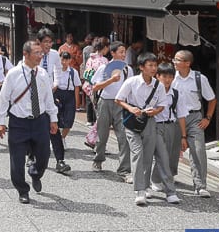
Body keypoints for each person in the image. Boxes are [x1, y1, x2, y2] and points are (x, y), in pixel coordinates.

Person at [0, 40, 59, 204]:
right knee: (16, 160)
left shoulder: (43, 74)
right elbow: (3, 99)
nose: (40, 56)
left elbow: (48, 99)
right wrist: (1, 122)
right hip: (19, 122)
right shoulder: (14, 74)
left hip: (39, 121)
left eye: (41, 53)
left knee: (44, 156)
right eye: (37, 53)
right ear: (26, 54)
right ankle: (22, 190)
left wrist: (53, 119)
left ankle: (35, 173)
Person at [115, 52, 170, 206]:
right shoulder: (131, 82)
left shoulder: (158, 85)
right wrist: (131, 108)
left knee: (147, 156)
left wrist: (156, 111)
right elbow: (118, 99)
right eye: (150, 65)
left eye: (155, 65)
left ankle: (145, 187)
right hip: (132, 121)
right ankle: (140, 190)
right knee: (137, 153)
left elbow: (162, 104)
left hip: (150, 121)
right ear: (141, 67)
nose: (154, 68)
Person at [172, 49, 217, 198]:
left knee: (198, 150)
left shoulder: (199, 78)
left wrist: (208, 118)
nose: (174, 62)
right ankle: (166, 178)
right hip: (174, 117)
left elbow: (211, 99)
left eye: (177, 60)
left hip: (194, 117)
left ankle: (200, 185)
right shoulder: (170, 77)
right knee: (170, 148)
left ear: (187, 63)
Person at [91, 41, 133, 182]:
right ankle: (98, 159)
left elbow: (131, 88)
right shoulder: (104, 68)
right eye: (120, 51)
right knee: (102, 134)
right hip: (105, 102)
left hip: (121, 104)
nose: (123, 54)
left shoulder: (128, 69)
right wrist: (111, 80)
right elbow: (95, 87)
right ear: (113, 53)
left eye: (124, 51)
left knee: (123, 137)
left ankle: (124, 170)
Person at [148, 62, 186, 204]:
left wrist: (183, 135)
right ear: (158, 76)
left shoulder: (176, 93)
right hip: (154, 125)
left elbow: (181, 114)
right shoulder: (151, 91)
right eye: (164, 76)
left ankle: (156, 179)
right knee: (162, 155)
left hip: (171, 126)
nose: (167, 79)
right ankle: (170, 191)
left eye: (171, 76)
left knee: (169, 156)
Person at [50, 51, 78, 173]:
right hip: (57, 94)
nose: (64, 62)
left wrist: (76, 101)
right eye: (62, 59)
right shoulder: (54, 71)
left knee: (69, 120)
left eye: (67, 60)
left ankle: (62, 138)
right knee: (56, 118)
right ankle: (56, 141)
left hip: (69, 95)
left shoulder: (73, 72)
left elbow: (77, 86)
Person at [58, 32, 83, 111]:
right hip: (63, 69)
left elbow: (80, 59)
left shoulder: (76, 47)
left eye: (71, 37)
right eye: (68, 37)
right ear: (66, 38)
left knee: (75, 87)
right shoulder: (61, 48)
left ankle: (77, 104)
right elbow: (59, 58)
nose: (70, 38)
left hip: (73, 68)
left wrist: (74, 56)